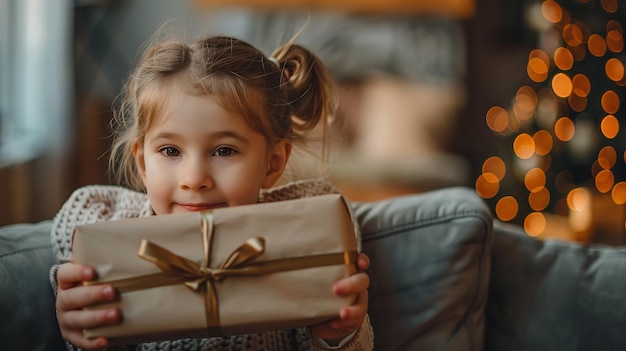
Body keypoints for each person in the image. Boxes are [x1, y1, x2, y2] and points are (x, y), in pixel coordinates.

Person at [49, 31, 374, 351]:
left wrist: (336, 336)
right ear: (143, 165)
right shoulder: (105, 232)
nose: (194, 179)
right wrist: (82, 334)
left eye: (224, 151)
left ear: (272, 163)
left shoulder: (306, 229)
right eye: (170, 151)